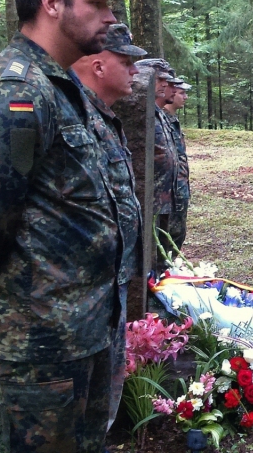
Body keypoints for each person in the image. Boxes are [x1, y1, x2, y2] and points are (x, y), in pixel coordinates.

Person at [0, 0, 131, 452]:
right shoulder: (15, 91)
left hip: (86, 325)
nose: (110, 17)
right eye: (96, 3)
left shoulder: (61, 85)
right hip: (43, 337)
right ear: (51, 3)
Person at [70, 23, 147, 431]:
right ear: (99, 67)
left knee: (97, 420)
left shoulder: (102, 117)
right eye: (126, 61)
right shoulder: (70, 116)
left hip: (107, 293)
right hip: (73, 305)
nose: (135, 71)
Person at [140, 59, 178, 260]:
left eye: (167, 81)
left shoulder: (160, 115)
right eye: (160, 79)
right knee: (152, 254)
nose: (165, 84)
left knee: (162, 251)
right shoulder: (143, 113)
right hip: (150, 199)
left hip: (164, 197)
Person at [165, 78, 191, 248]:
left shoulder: (172, 120)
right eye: (182, 93)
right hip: (169, 196)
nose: (185, 97)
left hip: (179, 191)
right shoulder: (162, 120)